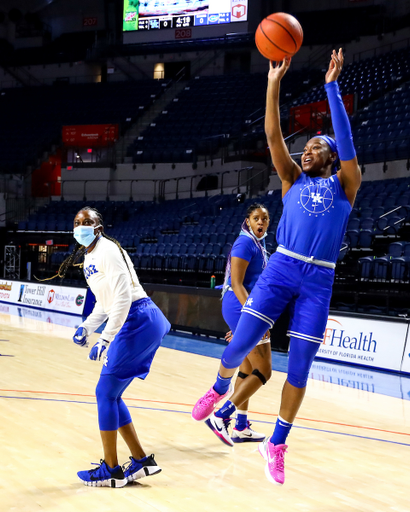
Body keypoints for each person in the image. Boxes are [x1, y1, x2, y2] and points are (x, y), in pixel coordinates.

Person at [192, 48, 361, 485]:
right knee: (242, 341)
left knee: (300, 365)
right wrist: (272, 85)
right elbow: (272, 138)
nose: (307, 152)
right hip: (283, 268)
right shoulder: (291, 179)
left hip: (319, 278)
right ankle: (217, 388)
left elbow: (344, 139)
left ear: (331, 156)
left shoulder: (347, 183)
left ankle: (278, 443)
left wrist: (331, 87)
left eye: (316, 148)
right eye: (305, 147)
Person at [59, 206, 170, 488]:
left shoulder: (107, 250)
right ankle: (141, 461)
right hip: (138, 319)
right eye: (76, 222)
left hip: (138, 318)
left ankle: (111, 470)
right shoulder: (89, 258)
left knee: (104, 392)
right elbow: (105, 304)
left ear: (98, 226)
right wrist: (86, 327)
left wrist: (105, 338)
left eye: (86, 222)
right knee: (112, 394)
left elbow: (122, 298)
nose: (80, 226)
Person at [202, 203, 271, 446]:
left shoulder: (258, 244)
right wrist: (253, 317)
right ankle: (222, 416)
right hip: (242, 305)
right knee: (264, 370)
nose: (261, 222)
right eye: (256, 218)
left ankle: (241, 426)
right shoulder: (244, 243)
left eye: (265, 218)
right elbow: (238, 283)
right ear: (248, 221)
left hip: (243, 307)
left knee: (248, 369)